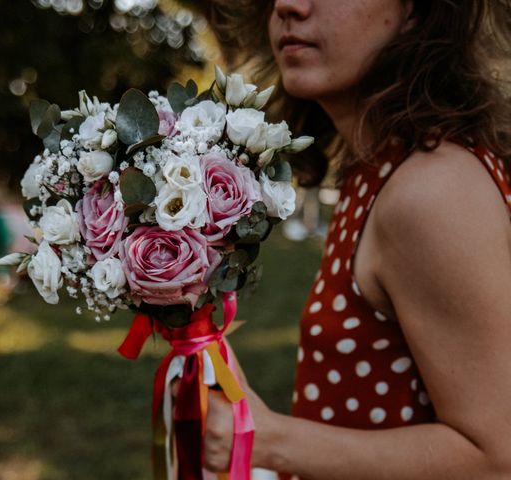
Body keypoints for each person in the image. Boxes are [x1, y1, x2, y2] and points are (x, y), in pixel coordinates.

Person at [199, 1, 511, 478]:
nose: (289, 5)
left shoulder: (431, 189)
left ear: (415, 11)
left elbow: (496, 458)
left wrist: (271, 441)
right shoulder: (385, 169)